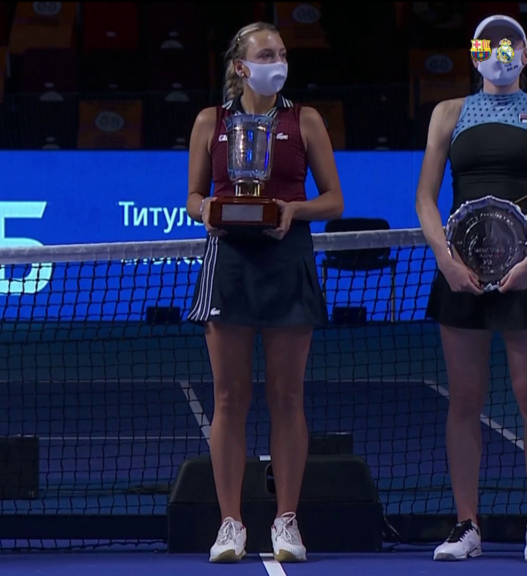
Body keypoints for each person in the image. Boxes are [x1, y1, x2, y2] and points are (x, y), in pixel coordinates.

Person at [184, 21, 345, 564]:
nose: (277, 62)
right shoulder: (210, 121)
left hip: (287, 259)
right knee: (229, 398)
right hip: (229, 264)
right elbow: (193, 197)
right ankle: (230, 523)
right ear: (241, 66)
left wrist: (294, 210)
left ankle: (286, 521)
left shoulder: (306, 121)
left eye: (281, 53)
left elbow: (334, 200)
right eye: (266, 54)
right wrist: (207, 209)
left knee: (287, 397)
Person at [414, 14, 527, 564]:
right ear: (474, 52)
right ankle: (467, 526)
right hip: (461, 274)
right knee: (464, 401)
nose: (500, 52)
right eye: (489, 43)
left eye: (511, 44)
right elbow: (425, 198)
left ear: (526, 55)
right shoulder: (448, 112)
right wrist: (446, 260)